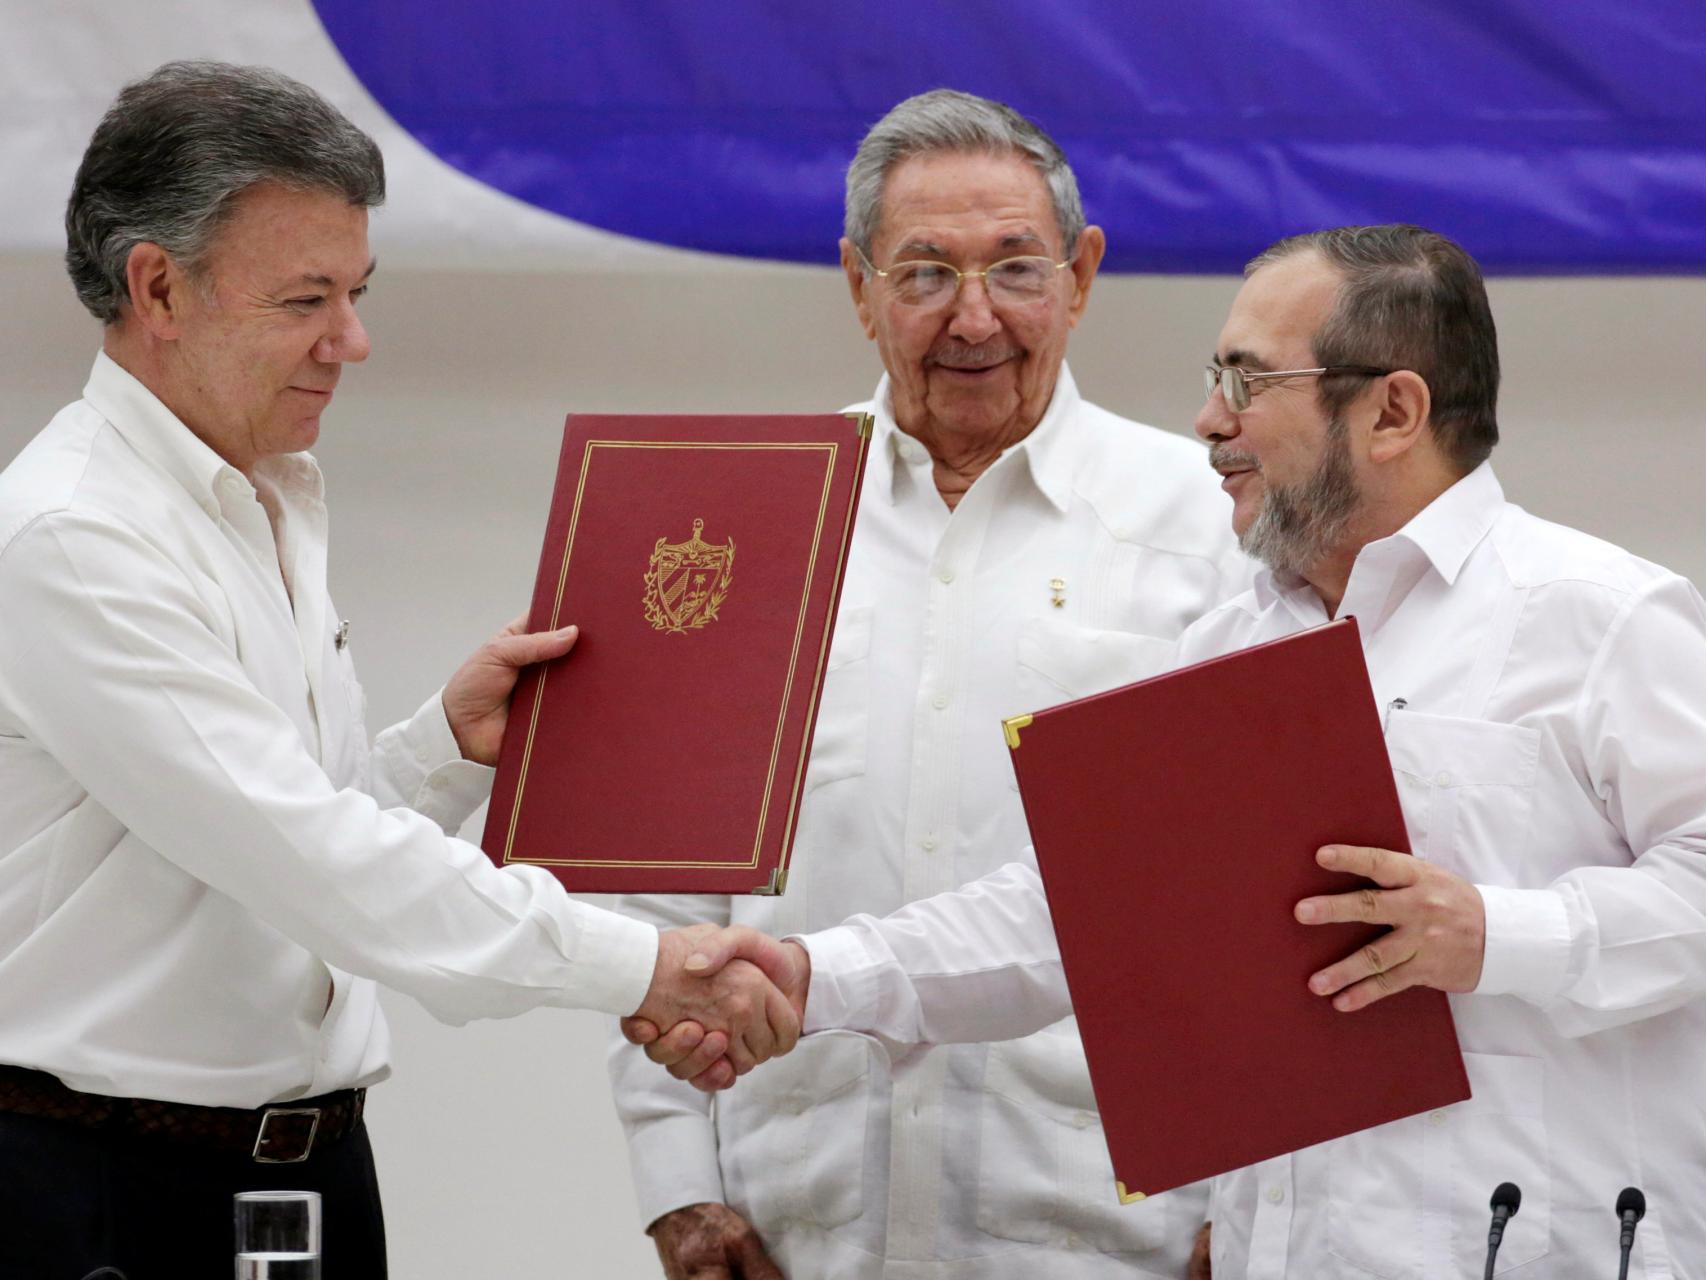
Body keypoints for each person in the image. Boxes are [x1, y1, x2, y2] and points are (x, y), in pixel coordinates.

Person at [640, 225, 1706, 1276]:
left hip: (1539, 1244)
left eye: (1246, 383)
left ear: (1390, 410)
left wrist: (1493, 932)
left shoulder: (1600, 615)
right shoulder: (1234, 638)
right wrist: (809, 971)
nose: (1206, 421)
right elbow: (1079, 915)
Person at [0, 60, 796, 1279]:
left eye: (357, 291)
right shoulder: (74, 534)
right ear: (157, 285)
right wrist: (647, 963)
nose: (353, 341)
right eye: (307, 298)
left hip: (299, 1173)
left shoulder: (259, 494)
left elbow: (263, 857)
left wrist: (437, 747)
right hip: (107, 1196)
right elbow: (308, 860)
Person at [606, 89, 1248, 1280]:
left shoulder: (1209, 528)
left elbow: (1251, 892)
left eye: (1014, 268)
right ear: (855, 284)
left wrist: (1248, 1207)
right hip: (793, 1219)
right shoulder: (747, 519)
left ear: (1082, 272)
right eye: (921, 274)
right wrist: (676, 1185)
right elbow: (663, 903)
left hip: (1112, 1230)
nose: (971, 317)